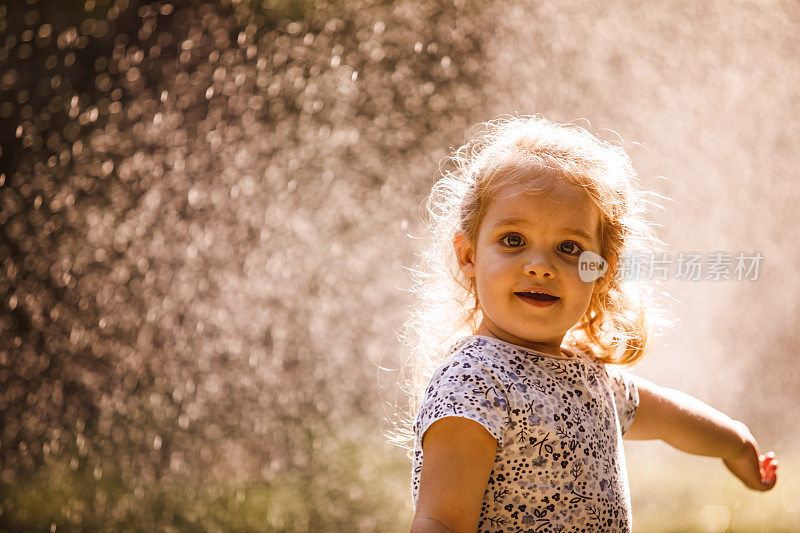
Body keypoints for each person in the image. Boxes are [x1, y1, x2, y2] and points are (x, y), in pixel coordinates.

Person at [401, 116, 778, 532]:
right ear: (468, 255)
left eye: (568, 248)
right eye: (513, 240)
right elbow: (442, 519)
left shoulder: (589, 378)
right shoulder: (475, 380)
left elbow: (674, 421)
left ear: (601, 270)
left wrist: (737, 443)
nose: (540, 267)